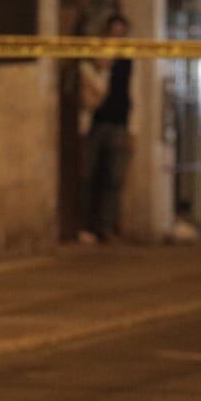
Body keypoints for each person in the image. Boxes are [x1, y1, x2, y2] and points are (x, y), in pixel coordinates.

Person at [78, 14, 134, 243]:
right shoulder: (96, 57)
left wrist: (134, 128)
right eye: (114, 32)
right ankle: (85, 226)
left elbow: (134, 92)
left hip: (120, 123)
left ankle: (106, 227)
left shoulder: (130, 59)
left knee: (114, 179)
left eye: (122, 33)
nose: (117, 37)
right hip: (97, 123)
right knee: (88, 175)